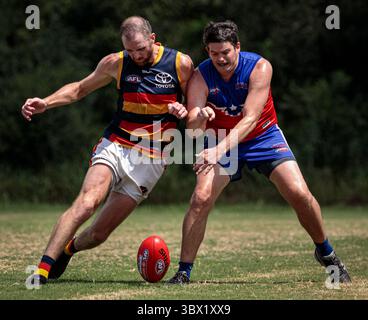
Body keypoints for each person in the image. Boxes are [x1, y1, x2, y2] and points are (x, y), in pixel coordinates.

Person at [168, 21, 351, 284]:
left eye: (226, 52)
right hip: (219, 137)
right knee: (201, 197)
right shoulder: (200, 75)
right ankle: (184, 272)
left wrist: (217, 149)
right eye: (214, 52)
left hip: (262, 135)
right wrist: (200, 115)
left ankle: (326, 252)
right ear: (207, 51)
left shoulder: (259, 67)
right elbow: (194, 126)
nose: (220, 58)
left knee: (299, 193)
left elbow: (250, 118)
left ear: (238, 47)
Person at [21, 16, 193, 286]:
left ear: (153, 38)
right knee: (88, 201)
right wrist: (46, 102)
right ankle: (43, 268)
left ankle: (70, 249)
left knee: (99, 234)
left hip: (152, 158)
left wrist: (183, 111)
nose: (136, 55)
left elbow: (195, 109)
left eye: (141, 49)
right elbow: (79, 88)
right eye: (130, 50)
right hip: (117, 143)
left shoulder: (180, 64)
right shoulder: (116, 62)